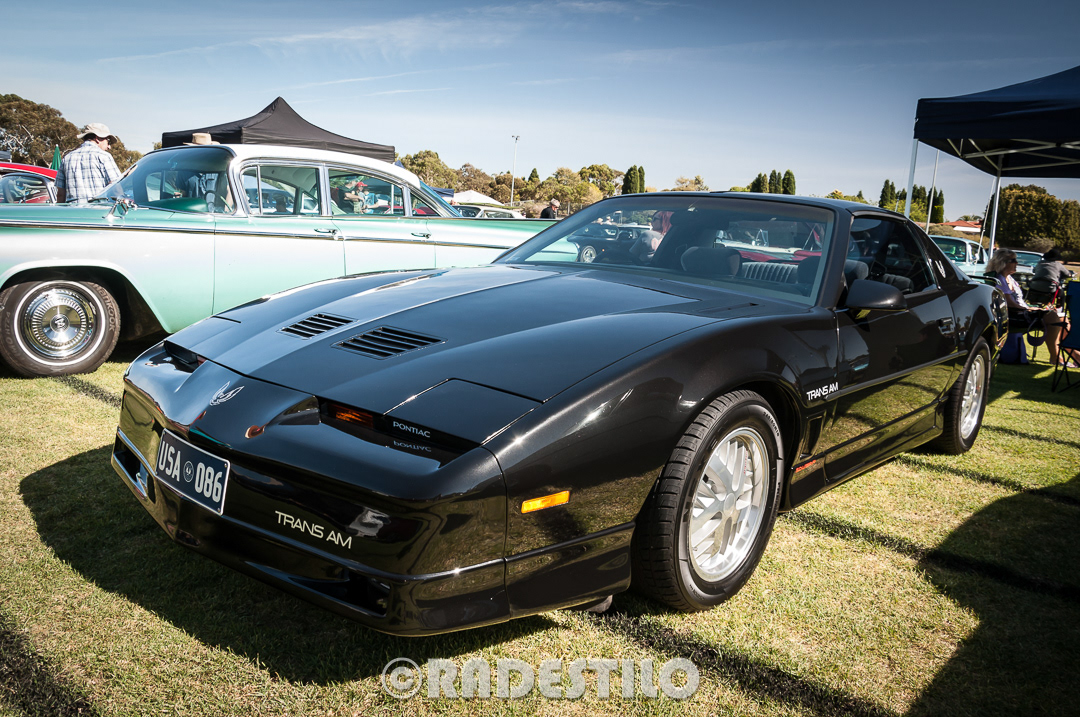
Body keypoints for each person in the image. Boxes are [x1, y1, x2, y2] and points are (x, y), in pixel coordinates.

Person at [54, 123, 122, 203]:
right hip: (98, 208)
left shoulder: (67, 158)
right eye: (108, 141)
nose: (109, 147)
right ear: (98, 138)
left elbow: (61, 194)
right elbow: (116, 187)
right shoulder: (104, 156)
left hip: (73, 209)